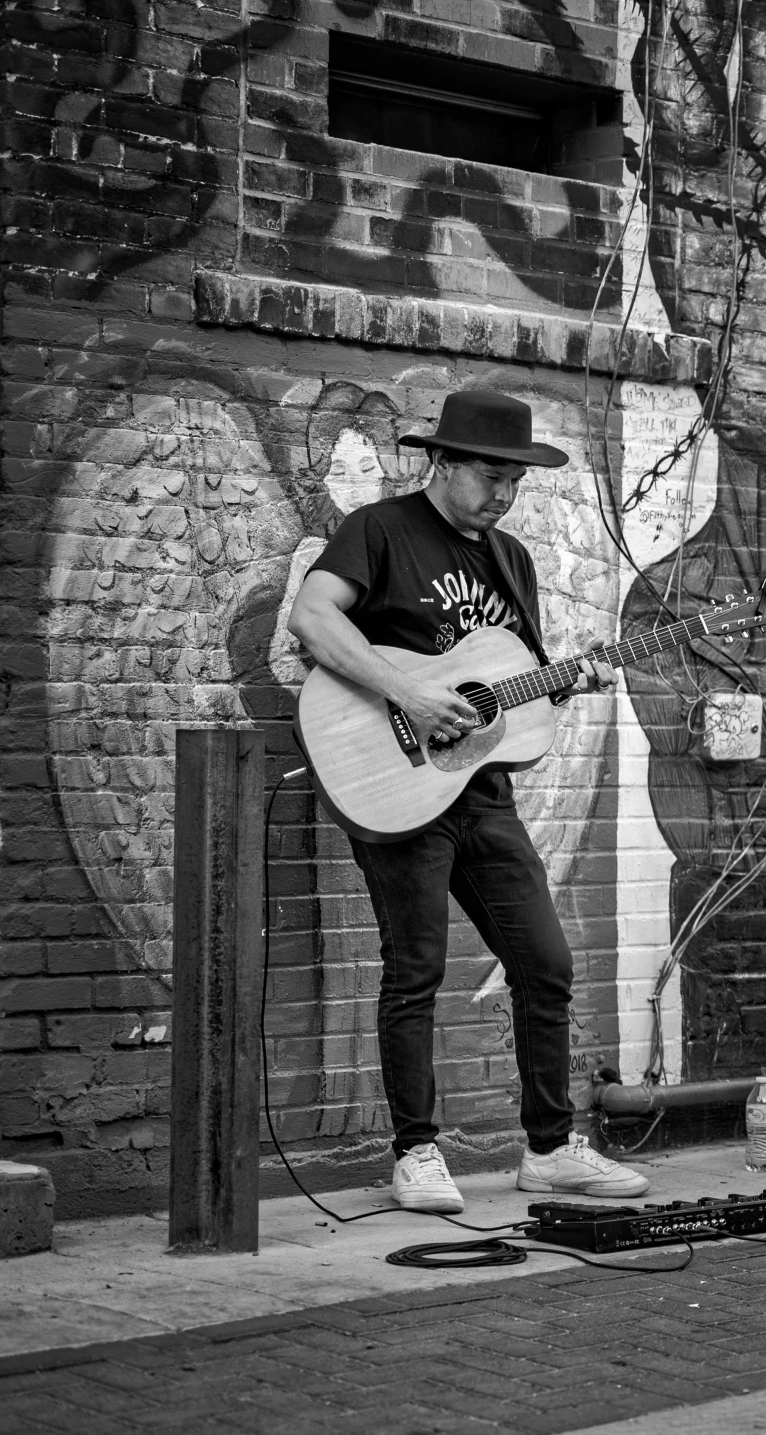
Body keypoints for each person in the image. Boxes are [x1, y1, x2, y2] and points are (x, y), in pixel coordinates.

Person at [289, 387, 650, 1213]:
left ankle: (550, 1149)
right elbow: (312, 619)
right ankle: (415, 1152)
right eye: (489, 476)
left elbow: (508, 696)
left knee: (546, 964)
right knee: (415, 968)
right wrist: (409, 697)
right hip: (390, 776)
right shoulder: (379, 531)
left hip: (479, 792)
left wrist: (569, 682)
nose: (502, 494)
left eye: (514, 482)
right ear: (442, 462)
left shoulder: (511, 561)